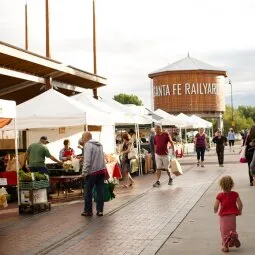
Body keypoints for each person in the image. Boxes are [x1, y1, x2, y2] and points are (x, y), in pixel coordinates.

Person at [81, 132, 107, 217]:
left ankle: (88, 211)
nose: (82, 139)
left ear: (87, 137)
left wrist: (84, 172)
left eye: (83, 137)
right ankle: (100, 211)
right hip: (101, 170)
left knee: (88, 192)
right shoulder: (100, 145)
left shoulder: (88, 145)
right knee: (100, 191)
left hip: (92, 172)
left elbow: (87, 161)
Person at [214, 176, 243, 253]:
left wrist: (215, 210)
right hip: (233, 216)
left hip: (223, 216)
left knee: (224, 231)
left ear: (221, 185)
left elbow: (216, 206)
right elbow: (240, 204)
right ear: (232, 185)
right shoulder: (235, 194)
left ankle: (225, 246)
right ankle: (233, 236)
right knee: (232, 229)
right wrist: (239, 211)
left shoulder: (220, 195)